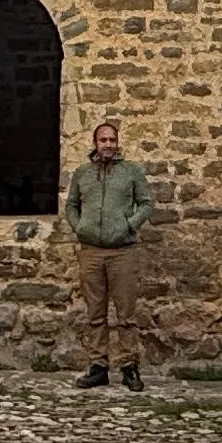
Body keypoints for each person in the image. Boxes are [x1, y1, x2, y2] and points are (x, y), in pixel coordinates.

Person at [62, 118, 150, 389]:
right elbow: (71, 206)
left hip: (123, 252)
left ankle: (129, 367)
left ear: (117, 142)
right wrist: (80, 228)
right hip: (91, 251)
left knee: (126, 314)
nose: (108, 144)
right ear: (95, 143)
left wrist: (129, 225)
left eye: (112, 140)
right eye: (103, 140)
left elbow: (146, 203)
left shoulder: (131, 172)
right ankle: (98, 365)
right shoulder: (83, 174)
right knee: (95, 312)